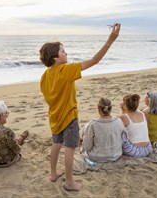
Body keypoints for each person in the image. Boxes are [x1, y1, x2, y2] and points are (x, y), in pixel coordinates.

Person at [39, 23, 121, 191]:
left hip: (54, 117)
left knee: (56, 144)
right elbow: (94, 61)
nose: (66, 53)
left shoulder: (45, 75)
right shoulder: (65, 70)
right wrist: (110, 40)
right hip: (69, 117)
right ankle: (69, 182)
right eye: (63, 51)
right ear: (55, 58)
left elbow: (49, 97)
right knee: (70, 148)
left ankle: (53, 173)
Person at [81, 97, 125, 163]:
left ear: (99, 109)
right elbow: (122, 139)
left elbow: (87, 147)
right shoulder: (119, 121)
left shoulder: (93, 124)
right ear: (111, 109)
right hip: (115, 155)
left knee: (86, 126)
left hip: (97, 157)